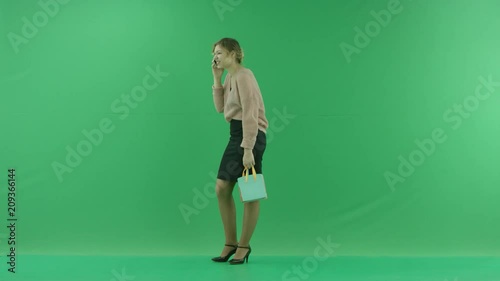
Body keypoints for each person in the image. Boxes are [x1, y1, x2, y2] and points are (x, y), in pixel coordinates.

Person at [210, 38, 268, 265]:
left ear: (233, 53)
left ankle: (243, 246)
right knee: (222, 187)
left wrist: (248, 148)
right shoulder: (230, 77)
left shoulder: (244, 76)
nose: (215, 57)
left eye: (220, 53)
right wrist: (216, 79)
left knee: (250, 190)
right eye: (214, 54)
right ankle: (230, 242)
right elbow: (220, 108)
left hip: (250, 134)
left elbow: (251, 112)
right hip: (236, 133)